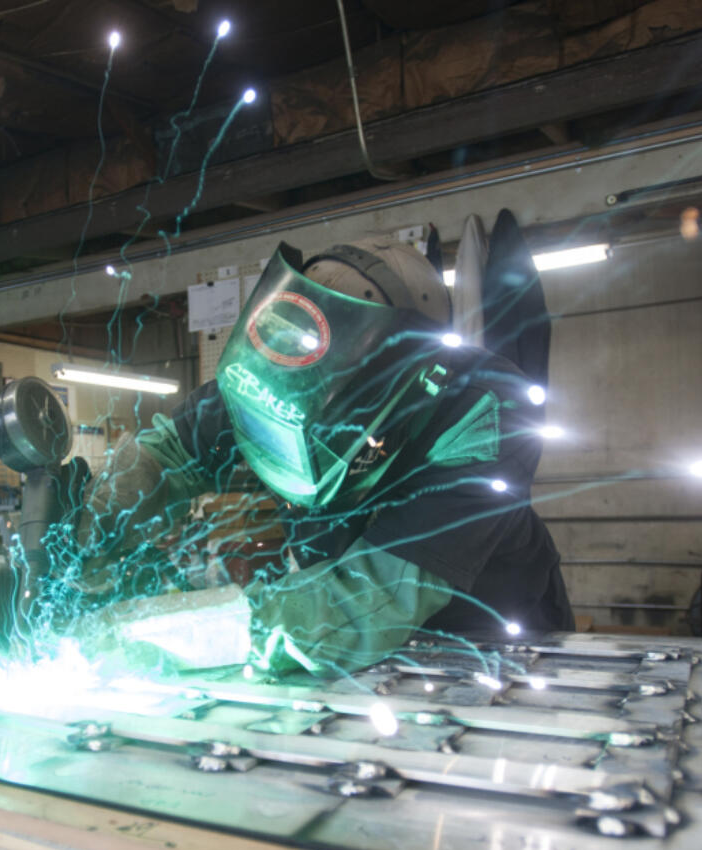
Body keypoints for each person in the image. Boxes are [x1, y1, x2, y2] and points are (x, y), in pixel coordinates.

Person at [76, 236, 573, 675]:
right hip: (346, 653)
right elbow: (164, 453)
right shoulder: (268, 375)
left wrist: (175, 633)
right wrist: (98, 526)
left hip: (488, 641)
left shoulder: (485, 408)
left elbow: (371, 598)